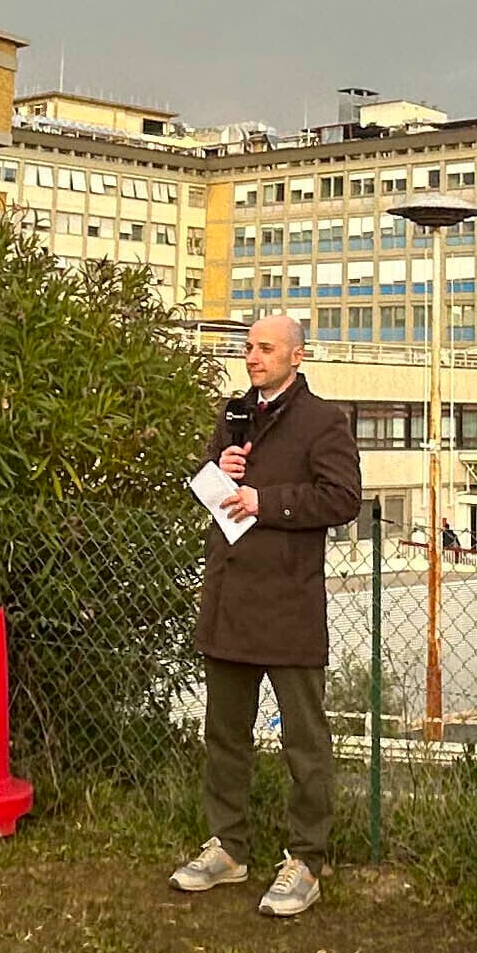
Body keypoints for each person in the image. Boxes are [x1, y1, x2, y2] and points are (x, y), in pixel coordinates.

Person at [173, 310, 361, 919]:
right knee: (224, 734)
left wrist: (266, 500)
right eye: (249, 347)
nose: (253, 357)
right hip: (229, 602)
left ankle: (306, 859)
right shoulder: (231, 413)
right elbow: (205, 486)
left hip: (287, 603)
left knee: (305, 742)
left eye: (266, 348)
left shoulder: (323, 420)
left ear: (296, 356)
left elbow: (342, 499)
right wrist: (216, 472)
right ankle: (228, 847)